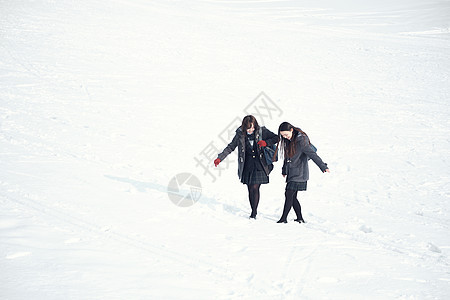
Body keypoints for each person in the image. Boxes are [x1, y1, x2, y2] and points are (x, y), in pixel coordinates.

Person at [214, 115, 279, 219]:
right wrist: (220, 158)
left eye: (253, 127)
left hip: (260, 164)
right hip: (247, 164)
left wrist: (266, 142)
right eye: (248, 128)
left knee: (255, 187)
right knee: (250, 188)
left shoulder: (262, 131)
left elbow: (277, 138)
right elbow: (231, 147)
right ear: (244, 127)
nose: (251, 130)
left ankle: (254, 212)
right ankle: (253, 209)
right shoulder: (240, 134)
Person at [276, 122, 330, 223]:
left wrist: (323, 166)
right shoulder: (289, 140)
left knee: (289, 194)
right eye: (282, 135)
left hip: (299, 172)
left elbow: (312, 154)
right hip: (292, 172)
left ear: (291, 130)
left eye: (286, 135)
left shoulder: (301, 140)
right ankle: (299, 218)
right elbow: (287, 156)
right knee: (292, 196)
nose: (285, 137)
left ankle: (283, 218)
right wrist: (284, 170)